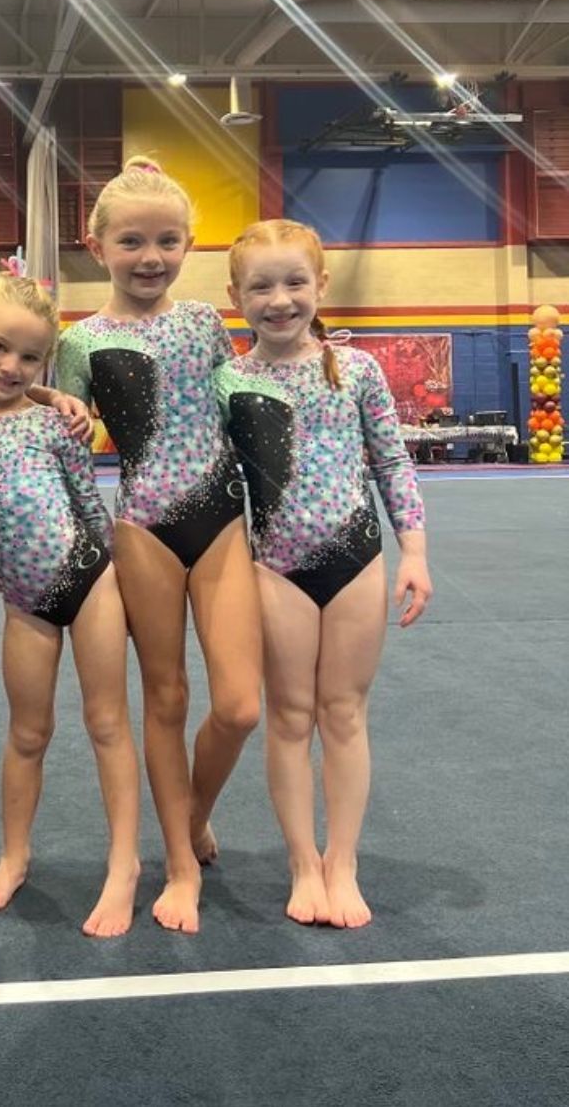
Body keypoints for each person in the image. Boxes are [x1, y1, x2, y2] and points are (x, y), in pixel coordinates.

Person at [56, 157, 263, 934]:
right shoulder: (83, 342)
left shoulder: (206, 322)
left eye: (169, 240)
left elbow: (241, 406)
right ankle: (179, 862)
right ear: (96, 243)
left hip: (220, 517)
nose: (151, 257)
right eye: (133, 241)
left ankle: (190, 812)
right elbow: (62, 441)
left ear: (189, 244)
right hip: (142, 525)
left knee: (240, 705)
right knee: (168, 697)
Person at [219, 218, 431, 927]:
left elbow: (391, 462)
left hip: (356, 559)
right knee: (289, 715)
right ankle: (302, 861)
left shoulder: (359, 370)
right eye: (261, 286)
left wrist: (417, 552)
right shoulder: (229, 381)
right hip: (275, 565)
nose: (280, 300)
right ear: (236, 295)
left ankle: (343, 860)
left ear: (321, 286)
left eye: (294, 283)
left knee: (343, 714)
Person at [0, 270, 140, 937]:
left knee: (107, 723)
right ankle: (14, 855)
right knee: (27, 733)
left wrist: (121, 587)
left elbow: (90, 509)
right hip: (22, 601)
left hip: (90, 582)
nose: (12, 365)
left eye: (31, 357)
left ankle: (124, 866)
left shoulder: (55, 424)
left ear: (45, 363)